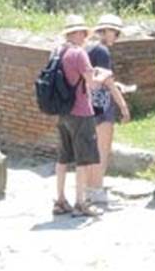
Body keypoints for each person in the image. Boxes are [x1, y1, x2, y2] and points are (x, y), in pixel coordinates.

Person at [53, 14, 109, 218]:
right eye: (83, 33)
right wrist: (104, 76)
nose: (85, 37)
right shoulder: (78, 54)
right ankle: (80, 202)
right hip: (81, 112)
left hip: (63, 112)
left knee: (62, 157)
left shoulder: (58, 52)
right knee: (83, 159)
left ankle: (60, 200)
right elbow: (92, 84)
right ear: (76, 34)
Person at [86, 13, 131, 205]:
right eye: (115, 32)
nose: (116, 37)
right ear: (107, 31)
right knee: (102, 149)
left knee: (90, 149)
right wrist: (123, 105)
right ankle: (97, 189)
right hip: (102, 107)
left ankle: (88, 187)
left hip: (86, 105)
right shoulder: (102, 51)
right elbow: (108, 82)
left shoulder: (87, 47)